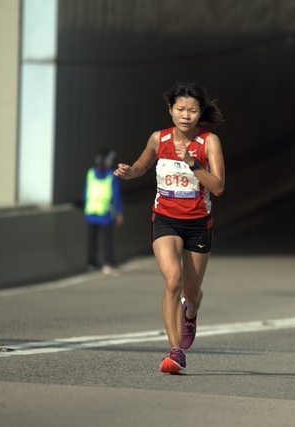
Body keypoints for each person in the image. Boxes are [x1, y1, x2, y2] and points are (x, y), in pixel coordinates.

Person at [114, 82, 225, 375]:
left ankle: (191, 312)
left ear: (200, 112)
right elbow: (142, 164)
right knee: (172, 281)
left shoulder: (208, 141)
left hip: (198, 223)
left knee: (192, 291)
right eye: (180, 109)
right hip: (165, 218)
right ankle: (175, 351)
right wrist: (130, 172)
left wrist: (193, 164)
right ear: (171, 110)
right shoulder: (158, 138)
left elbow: (218, 186)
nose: (185, 115)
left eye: (192, 110)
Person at [83, 149, 124, 275]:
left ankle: (91, 262)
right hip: (105, 213)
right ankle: (108, 262)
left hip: (91, 211)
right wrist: (119, 212)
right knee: (107, 240)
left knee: (92, 240)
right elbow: (116, 195)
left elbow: (85, 193)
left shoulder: (90, 173)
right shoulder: (111, 175)